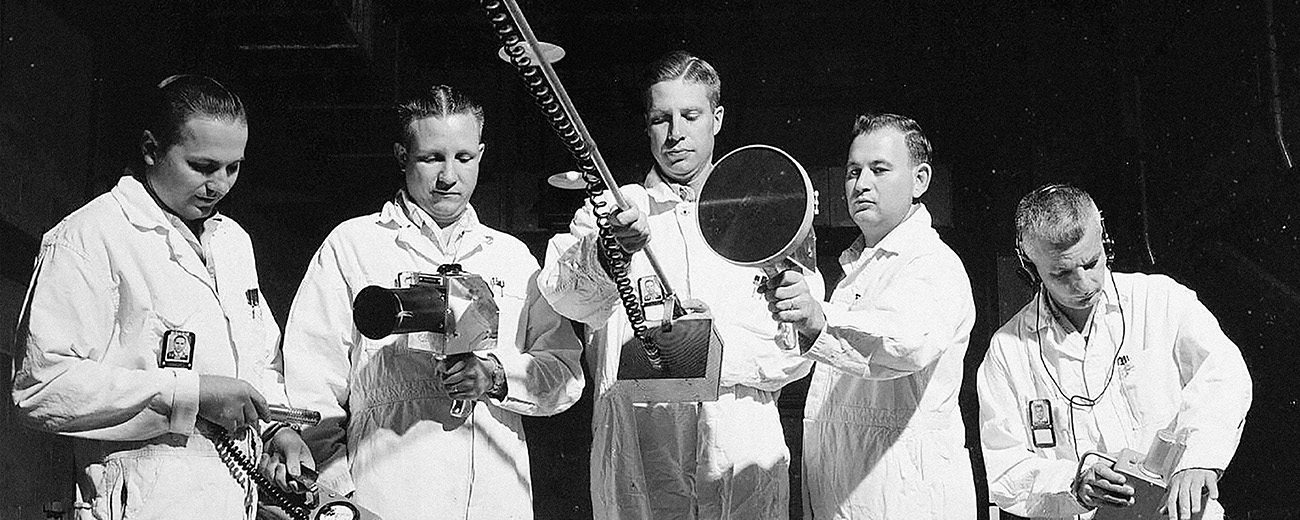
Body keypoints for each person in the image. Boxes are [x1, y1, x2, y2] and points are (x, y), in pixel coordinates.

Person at [539, 50, 823, 520]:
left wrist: (706, 357)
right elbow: (565, 295)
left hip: (739, 440)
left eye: (690, 115)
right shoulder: (612, 209)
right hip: (638, 446)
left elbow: (799, 349)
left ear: (717, 117)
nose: (675, 133)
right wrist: (612, 253)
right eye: (660, 118)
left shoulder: (766, 212)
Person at [279, 85, 584, 520]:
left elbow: (565, 373)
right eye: (431, 158)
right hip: (385, 492)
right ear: (403, 155)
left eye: (463, 158)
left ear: (480, 154)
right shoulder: (355, 245)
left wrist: (497, 377)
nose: (448, 176)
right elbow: (311, 382)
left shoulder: (512, 257)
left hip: (496, 498)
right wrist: (337, 495)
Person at [11, 74, 308, 520]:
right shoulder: (90, 236)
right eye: (203, 167)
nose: (221, 185)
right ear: (151, 149)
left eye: (234, 167)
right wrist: (188, 394)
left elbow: (258, 361)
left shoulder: (232, 243)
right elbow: (40, 387)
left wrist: (275, 430)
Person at [977, 184, 1252, 519]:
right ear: (1030, 269)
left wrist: (1198, 458)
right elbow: (1006, 469)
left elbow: (1224, 374)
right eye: (1062, 273)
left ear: (1105, 242)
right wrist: (1074, 484)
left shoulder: (1162, 300)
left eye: (1092, 263)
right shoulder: (1008, 351)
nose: (1084, 284)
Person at [763, 113, 977, 519]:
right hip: (846, 496)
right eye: (853, 172)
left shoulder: (933, 264)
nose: (861, 184)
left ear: (920, 180)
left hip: (906, 502)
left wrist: (816, 319)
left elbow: (905, 343)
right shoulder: (857, 270)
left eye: (879, 170)